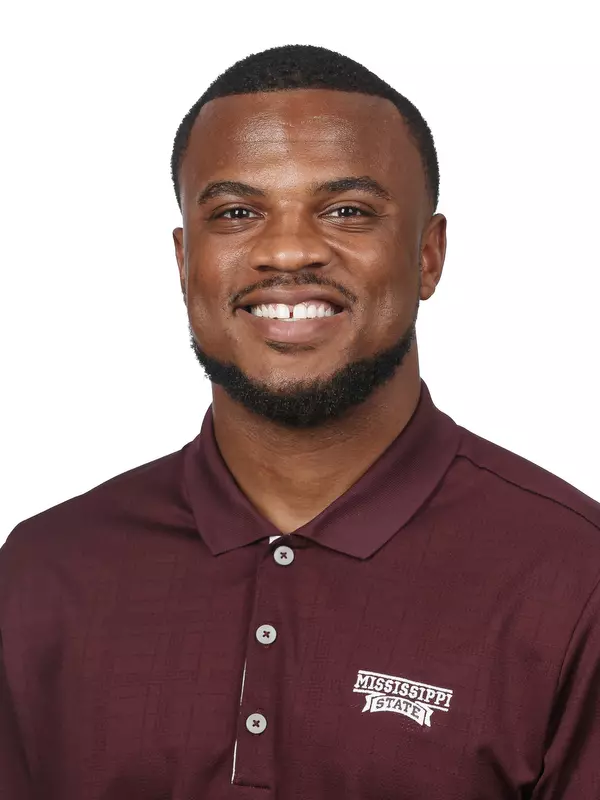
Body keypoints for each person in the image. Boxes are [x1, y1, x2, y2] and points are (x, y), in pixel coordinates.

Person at [1, 43, 599, 800]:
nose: (287, 251)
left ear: (428, 255)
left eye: (347, 211)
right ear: (184, 261)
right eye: (237, 213)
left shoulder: (574, 578)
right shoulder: (43, 571)